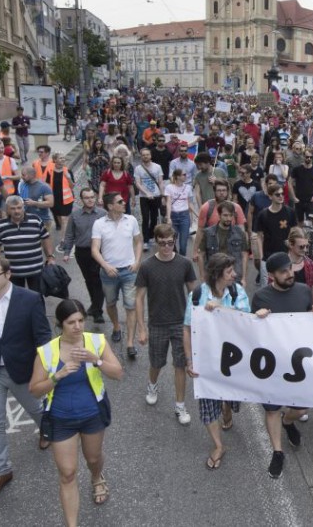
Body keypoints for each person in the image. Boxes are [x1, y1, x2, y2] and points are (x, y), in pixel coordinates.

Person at [28, 299, 123, 524]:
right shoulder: (47, 351)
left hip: (92, 415)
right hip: (61, 419)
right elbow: (34, 390)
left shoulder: (96, 342)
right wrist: (57, 376)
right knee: (68, 473)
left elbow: (118, 373)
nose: (78, 326)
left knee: (93, 458)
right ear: (61, 325)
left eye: (81, 320)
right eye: (71, 322)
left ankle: (96, 476)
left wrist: (96, 360)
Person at [0, 256, 52, 501]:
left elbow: (43, 338)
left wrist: (44, 371)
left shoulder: (30, 299)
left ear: (8, 274)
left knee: (36, 408)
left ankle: (45, 431)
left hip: (23, 370)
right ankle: (2, 471)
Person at [251, 252, 313, 478]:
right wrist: (257, 317)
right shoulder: (261, 297)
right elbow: (250, 333)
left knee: (301, 407)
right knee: (272, 408)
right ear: (271, 275)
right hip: (272, 363)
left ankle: (288, 421)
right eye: (283, 272)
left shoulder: (303, 290)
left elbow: (309, 318)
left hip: (299, 362)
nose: (289, 274)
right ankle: (277, 451)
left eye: (290, 269)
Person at [184, 254, 250, 471]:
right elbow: (187, 328)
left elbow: (245, 320)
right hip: (206, 359)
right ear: (217, 273)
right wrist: (189, 360)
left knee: (230, 397)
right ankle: (219, 445)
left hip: (233, 358)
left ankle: (227, 408)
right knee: (207, 403)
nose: (235, 275)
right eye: (230, 271)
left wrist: (220, 309)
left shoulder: (237, 291)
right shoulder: (197, 294)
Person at [136, 224, 197, 426]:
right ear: (156, 242)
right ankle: (152, 385)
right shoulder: (146, 266)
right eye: (162, 243)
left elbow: (193, 294)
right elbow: (139, 298)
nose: (166, 247)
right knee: (156, 363)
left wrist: (197, 322)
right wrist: (142, 328)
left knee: (180, 365)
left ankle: (180, 405)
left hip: (181, 325)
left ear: (175, 241)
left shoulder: (185, 264)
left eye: (170, 243)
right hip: (157, 324)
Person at [91, 193, 142, 354]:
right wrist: (106, 266)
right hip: (108, 273)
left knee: (131, 306)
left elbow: (139, 241)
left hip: (129, 271)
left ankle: (129, 344)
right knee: (111, 303)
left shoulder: (131, 220)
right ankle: (116, 326)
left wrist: (137, 261)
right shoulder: (99, 224)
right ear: (110, 206)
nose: (124, 202)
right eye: (120, 201)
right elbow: (94, 249)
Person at [61, 189, 108, 323]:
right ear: (81, 200)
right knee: (89, 280)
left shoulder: (103, 214)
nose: (90, 200)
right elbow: (69, 235)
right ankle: (94, 306)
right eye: (87, 198)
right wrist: (66, 252)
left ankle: (97, 311)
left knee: (98, 281)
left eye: (92, 197)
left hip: (99, 252)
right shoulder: (75, 215)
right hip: (82, 252)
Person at [0, 196, 55, 293]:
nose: (17, 211)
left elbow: (45, 238)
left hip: (36, 271)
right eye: (13, 208)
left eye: (19, 207)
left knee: (37, 298)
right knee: (17, 300)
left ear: (23, 207)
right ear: (7, 209)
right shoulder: (1, 225)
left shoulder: (35, 220)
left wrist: (50, 257)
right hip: (13, 272)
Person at [191, 179, 247, 265]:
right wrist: (195, 251)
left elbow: (241, 230)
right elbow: (200, 230)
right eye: (219, 190)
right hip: (212, 249)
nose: (221, 193)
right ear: (214, 191)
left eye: (224, 190)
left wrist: (244, 251)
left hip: (232, 248)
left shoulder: (236, 208)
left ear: (228, 192)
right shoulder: (206, 207)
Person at [253, 184, 297, 286]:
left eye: (282, 194)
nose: (281, 196)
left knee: (286, 284)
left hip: (286, 255)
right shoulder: (263, 215)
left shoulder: (290, 212)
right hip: (268, 256)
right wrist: (261, 255)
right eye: (277, 194)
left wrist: (291, 248)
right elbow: (259, 236)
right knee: (266, 286)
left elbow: (294, 231)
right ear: (270, 196)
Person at [199, 201, 251, 281]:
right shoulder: (208, 233)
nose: (228, 218)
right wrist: (202, 277)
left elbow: (244, 256)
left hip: (234, 275)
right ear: (219, 215)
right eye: (225, 215)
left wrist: (243, 278)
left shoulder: (240, 232)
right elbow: (201, 255)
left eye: (231, 215)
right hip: (214, 275)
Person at [135, 148, 164, 250]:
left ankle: (151, 235)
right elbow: (138, 183)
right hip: (144, 197)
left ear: (150, 156)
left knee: (154, 217)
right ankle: (146, 240)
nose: (145, 156)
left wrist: (162, 194)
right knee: (145, 218)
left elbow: (160, 181)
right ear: (141, 156)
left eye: (147, 155)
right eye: (143, 155)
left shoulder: (157, 167)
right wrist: (146, 193)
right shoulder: (138, 168)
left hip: (156, 195)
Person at [284, 227, 313, 308]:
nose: (305, 250)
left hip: (305, 309)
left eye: (306, 246)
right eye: (301, 247)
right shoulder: (280, 265)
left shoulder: (312, 266)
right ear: (291, 244)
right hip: (284, 307)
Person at [46, 153, 76, 246]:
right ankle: (66, 232)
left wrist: (68, 178)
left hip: (66, 199)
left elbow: (72, 186)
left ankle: (64, 239)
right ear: (55, 160)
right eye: (61, 158)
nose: (63, 159)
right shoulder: (50, 171)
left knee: (64, 219)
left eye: (64, 158)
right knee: (59, 217)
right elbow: (47, 185)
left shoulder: (68, 171)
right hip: (55, 199)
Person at [164, 170, 194, 256]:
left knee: (183, 243)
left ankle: (182, 259)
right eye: (183, 174)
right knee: (171, 240)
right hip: (173, 215)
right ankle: (174, 256)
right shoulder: (169, 187)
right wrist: (169, 217)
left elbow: (189, 203)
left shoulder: (188, 187)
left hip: (184, 215)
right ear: (177, 176)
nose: (186, 176)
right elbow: (168, 203)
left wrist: (195, 215)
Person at [289, 151, 313, 224]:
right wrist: (293, 197)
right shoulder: (297, 169)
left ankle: (309, 235)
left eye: (311, 157)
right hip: (299, 199)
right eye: (307, 157)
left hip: (310, 200)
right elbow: (289, 182)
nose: (309, 159)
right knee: (299, 221)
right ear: (303, 157)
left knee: (311, 222)